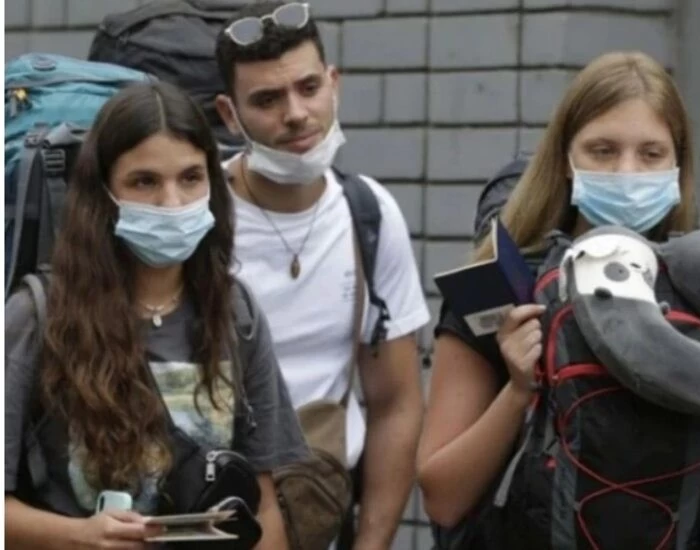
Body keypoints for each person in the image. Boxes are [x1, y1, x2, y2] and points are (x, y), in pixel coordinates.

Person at [417, 51, 700, 548]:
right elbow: (442, 498)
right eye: (603, 150)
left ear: (677, 166)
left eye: (651, 154)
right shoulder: (502, 287)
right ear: (566, 160)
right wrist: (518, 391)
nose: (626, 172)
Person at [5, 81, 309, 550]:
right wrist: (76, 536)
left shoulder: (235, 311)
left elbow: (263, 506)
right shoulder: (37, 315)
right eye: (144, 182)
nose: (172, 203)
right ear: (102, 192)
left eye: (190, 177)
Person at [213, 2, 430, 548]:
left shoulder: (368, 214)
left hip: (320, 513)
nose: (295, 114)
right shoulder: (201, 214)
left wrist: (371, 545)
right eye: (266, 99)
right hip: (207, 513)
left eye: (308, 88)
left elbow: (396, 403)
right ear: (229, 114)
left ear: (334, 83)